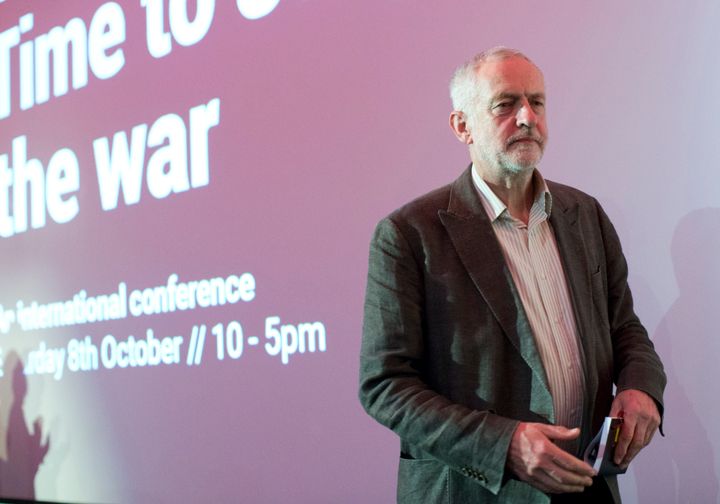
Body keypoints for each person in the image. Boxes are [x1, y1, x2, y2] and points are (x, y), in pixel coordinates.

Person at [359, 47, 666, 504]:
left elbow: (624, 328)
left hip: (586, 485)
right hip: (476, 492)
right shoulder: (409, 234)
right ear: (462, 125)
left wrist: (642, 388)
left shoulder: (584, 214)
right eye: (505, 104)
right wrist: (503, 445)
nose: (526, 117)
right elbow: (385, 384)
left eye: (537, 102)